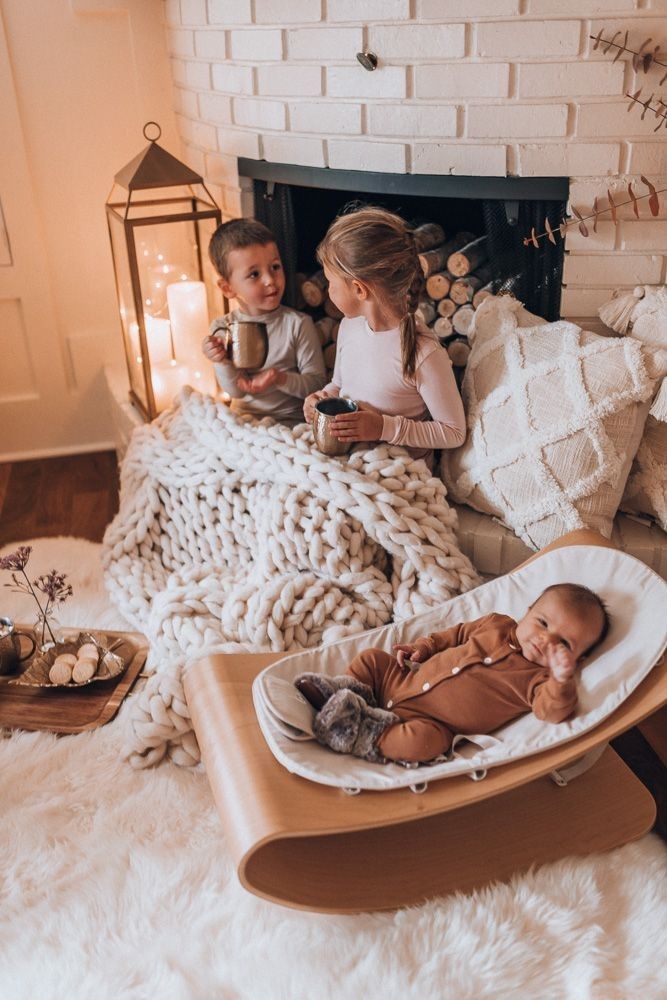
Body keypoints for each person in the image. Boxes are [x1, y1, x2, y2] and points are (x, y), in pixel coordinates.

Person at [295, 583, 610, 765]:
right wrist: (423, 647)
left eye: (564, 643)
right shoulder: (497, 624)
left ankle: (358, 731)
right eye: (543, 623)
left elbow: (552, 711)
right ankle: (346, 692)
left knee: (423, 745)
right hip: (402, 680)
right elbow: (456, 635)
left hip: (431, 723)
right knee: (373, 660)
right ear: (527, 611)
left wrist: (562, 679)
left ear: (578, 660)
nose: (546, 640)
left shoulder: (539, 682)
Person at [303, 205, 466, 466]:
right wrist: (322, 398)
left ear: (359, 289)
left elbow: (453, 432)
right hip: (352, 459)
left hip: (400, 474)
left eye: (331, 283)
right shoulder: (349, 327)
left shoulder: (422, 353)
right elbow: (339, 385)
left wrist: (383, 428)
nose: (328, 291)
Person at [202, 218, 326, 426]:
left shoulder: (298, 324)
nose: (270, 279)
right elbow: (234, 391)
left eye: (275, 267)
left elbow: (317, 384)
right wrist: (221, 361)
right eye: (254, 274)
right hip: (243, 420)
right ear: (227, 288)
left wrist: (278, 378)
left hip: (291, 422)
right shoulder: (222, 329)